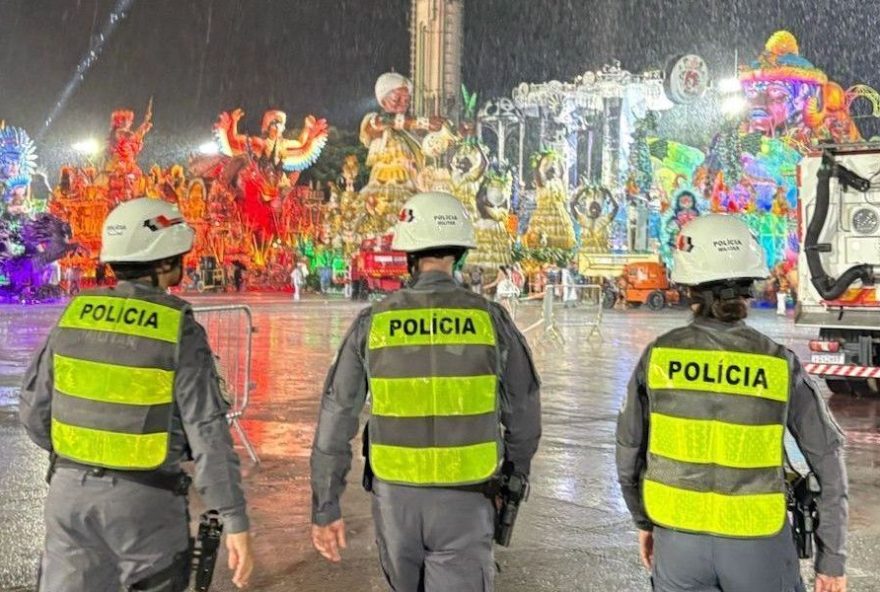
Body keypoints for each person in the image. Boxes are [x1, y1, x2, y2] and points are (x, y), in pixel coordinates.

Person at [310, 192, 542, 591]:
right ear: (460, 254)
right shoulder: (490, 320)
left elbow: (335, 421)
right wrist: (513, 479)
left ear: (408, 255)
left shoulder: (374, 323)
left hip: (395, 500)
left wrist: (326, 505)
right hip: (468, 498)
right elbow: (524, 418)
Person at [20, 198, 254, 591]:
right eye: (179, 254)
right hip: (145, 506)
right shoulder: (177, 327)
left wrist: (81, 456)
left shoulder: (76, 312)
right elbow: (207, 433)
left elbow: (34, 412)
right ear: (162, 263)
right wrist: (234, 517)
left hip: (68, 495)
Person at [616, 215, 847, 592]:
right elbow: (828, 460)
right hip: (757, 542)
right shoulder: (776, 362)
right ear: (750, 283)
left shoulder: (658, 358)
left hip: (677, 539)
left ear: (689, 283)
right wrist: (831, 559)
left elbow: (628, 452)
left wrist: (644, 522)